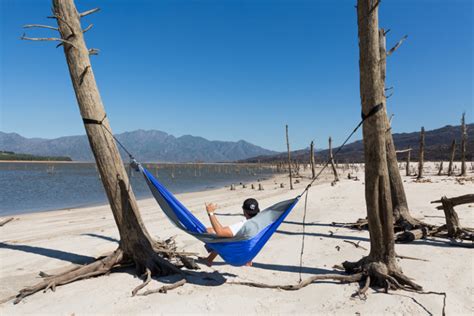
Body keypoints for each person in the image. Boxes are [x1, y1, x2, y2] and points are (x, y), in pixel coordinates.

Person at [203, 198, 260, 266]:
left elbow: (220, 232)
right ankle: (209, 259)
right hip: (248, 253)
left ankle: (209, 260)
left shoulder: (243, 225)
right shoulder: (259, 223)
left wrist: (211, 212)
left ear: (244, 210)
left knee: (210, 231)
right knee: (228, 236)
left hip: (237, 256)